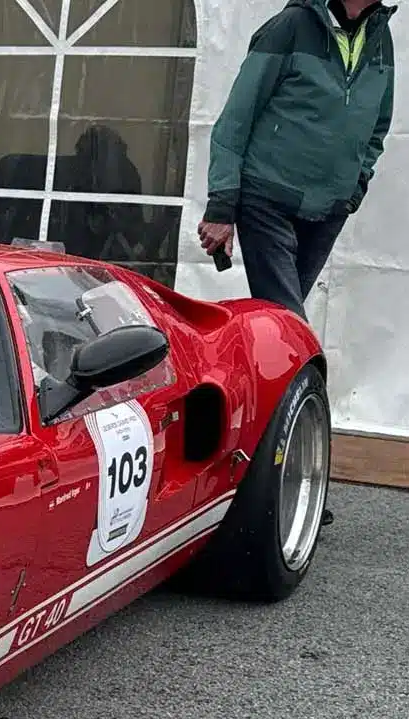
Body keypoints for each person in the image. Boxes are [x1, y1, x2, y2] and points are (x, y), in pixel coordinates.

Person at [198, 0, 396, 527]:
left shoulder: (380, 37)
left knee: (279, 336)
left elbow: (378, 127)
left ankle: (258, 472)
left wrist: (353, 189)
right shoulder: (290, 26)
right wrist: (222, 205)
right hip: (266, 199)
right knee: (293, 338)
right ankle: (292, 482)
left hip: (326, 211)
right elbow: (235, 119)